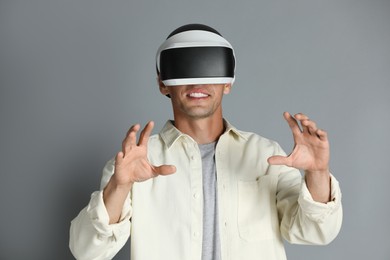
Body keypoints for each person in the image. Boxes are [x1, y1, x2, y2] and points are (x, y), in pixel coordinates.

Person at [69, 24, 342, 260]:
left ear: (228, 82)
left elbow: (316, 232)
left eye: (210, 67)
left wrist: (317, 173)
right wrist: (119, 186)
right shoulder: (134, 162)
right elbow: (86, 251)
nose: (197, 81)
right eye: (183, 69)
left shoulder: (266, 156)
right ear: (163, 84)